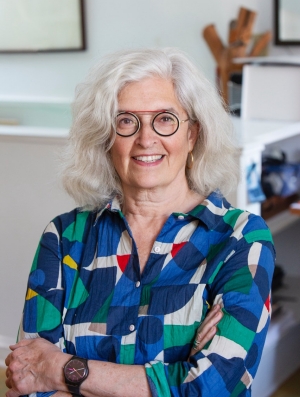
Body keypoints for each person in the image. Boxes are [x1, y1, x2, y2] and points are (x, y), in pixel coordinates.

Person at [5, 48, 275, 397]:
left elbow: (212, 386)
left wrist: (64, 369)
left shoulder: (240, 238)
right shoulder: (65, 238)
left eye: (165, 119)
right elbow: (29, 379)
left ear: (192, 134)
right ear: (106, 137)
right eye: (126, 121)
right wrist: (175, 380)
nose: (146, 139)